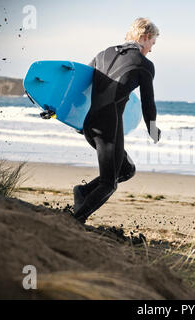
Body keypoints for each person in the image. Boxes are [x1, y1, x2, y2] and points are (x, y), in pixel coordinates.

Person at [72, 17, 161, 223]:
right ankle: (75, 220)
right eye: (153, 43)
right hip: (108, 127)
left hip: (89, 124)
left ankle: (83, 191)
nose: (152, 49)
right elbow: (148, 103)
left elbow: (79, 86)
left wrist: (71, 117)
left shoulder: (103, 53)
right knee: (109, 183)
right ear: (145, 37)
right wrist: (153, 128)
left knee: (126, 170)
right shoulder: (145, 65)